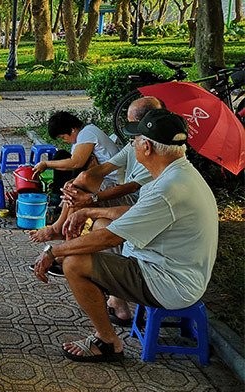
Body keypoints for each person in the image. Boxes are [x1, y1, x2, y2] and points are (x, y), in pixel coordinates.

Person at [31, 110, 218, 363]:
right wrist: (89, 210)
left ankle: (107, 341)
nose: (132, 145)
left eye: (135, 140)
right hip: (171, 269)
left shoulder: (168, 188)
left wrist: (54, 252)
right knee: (96, 231)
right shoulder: (175, 173)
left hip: (168, 282)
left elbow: (110, 238)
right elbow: (135, 212)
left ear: (147, 147)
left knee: (74, 263)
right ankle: (114, 303)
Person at [32, 111, 121, 202]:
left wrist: (46, 164)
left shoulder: (87, 133)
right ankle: (58, 197)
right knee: (61, 155)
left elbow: (76, 163)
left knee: (72, 187)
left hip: (112, 180)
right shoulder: (80, 138)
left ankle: (61, 202)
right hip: (98, 174)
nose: (64, 141)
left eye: (63, 137)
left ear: (72, 129)